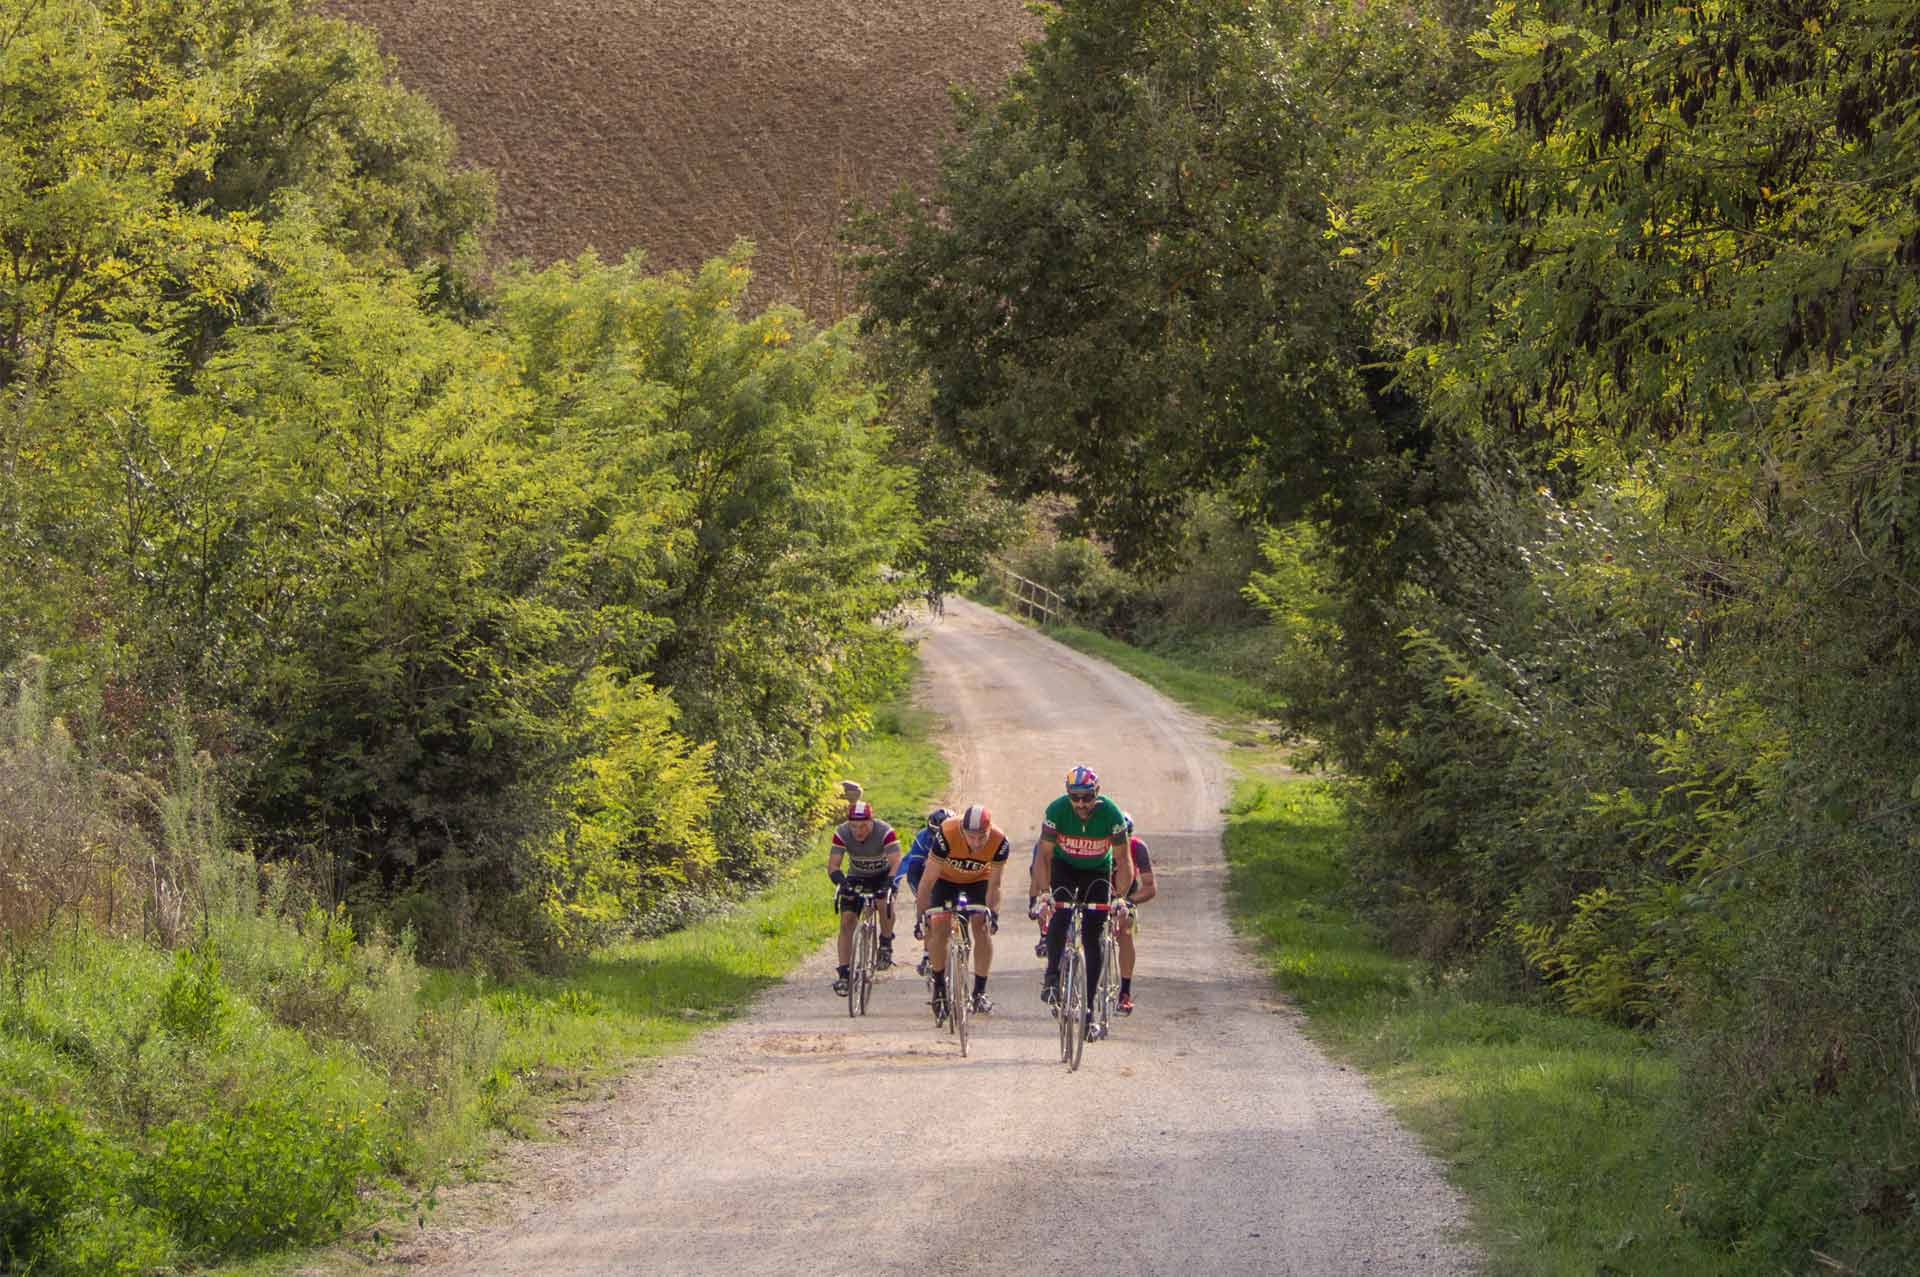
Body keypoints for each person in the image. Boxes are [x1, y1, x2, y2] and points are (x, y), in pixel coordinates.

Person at [1031, 765, 1132, 1033]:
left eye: (1086, 797)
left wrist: (1120, 896)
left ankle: (1088, 1009)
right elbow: (1044, 856)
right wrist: (1043, 893)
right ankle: (1052, 977)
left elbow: (1123, 859)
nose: (1080, 803)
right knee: (1061, 913)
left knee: (1092, 934)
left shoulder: (1111, 814)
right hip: (1065, 867)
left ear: (1096, 792)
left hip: (1097, 871)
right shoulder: (1056, 810)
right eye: (1074, 797)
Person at [914, 803, 1009, 1018]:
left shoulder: (999, 840)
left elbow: (994, 885)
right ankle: (939, 988)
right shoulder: (947, 832)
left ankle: (979, 992)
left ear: (989, 830)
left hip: (979, 881)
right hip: (945, 880)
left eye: (981, 837)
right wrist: (921, 916)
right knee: (939, 927)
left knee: (981, 926)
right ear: (962, 830)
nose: (976, 843)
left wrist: (993, 914)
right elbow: (927, 881)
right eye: (970, 836)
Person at [828, 800, 900, 994]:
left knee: (883, 902)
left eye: (863, 826)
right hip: (856, 876)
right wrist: (842, 883)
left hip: (883, 875)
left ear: (872, 821)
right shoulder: (841, 833)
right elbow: (833, 866)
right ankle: (844, 973)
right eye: (854, 826)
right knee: (846, 921)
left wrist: (889, 883)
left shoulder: (885, 832)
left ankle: (885, 943)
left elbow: (896, 862)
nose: (858, 831)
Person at [896, 806, 950, 976]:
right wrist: (922, 899)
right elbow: (913, 873)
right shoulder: (922, 839)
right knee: (930, 913)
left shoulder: (961, 837)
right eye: (935, 835)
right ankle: (927, 954)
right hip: (926, 878)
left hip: (952, 879)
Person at [1113, 812, 1157, 1015]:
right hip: (1098, 893)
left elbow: (1149, 888)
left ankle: (1125, 992)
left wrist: (1129, 901)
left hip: (1126, 897)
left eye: (1126, 836)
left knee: (1125, 929)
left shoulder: (1138, 848)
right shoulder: (1097, 845)